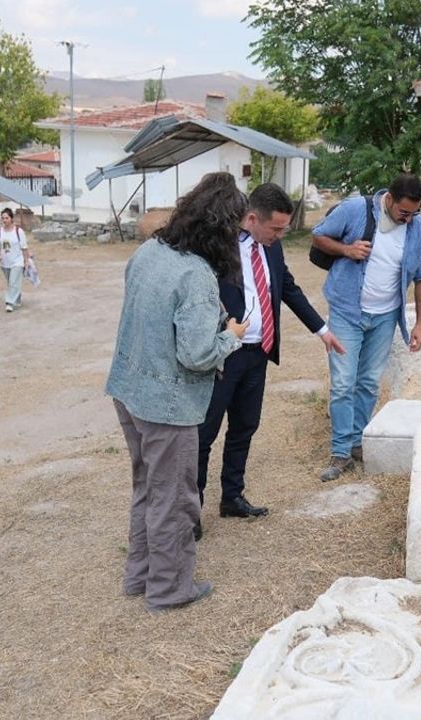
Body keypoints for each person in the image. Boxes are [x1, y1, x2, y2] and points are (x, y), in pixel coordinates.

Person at [104, 171, 250, 612]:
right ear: (223, 229)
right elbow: (197, 354)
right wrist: (232, 335)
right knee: (175, 500)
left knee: (147, 487)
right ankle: (169, 589)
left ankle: (140, 576)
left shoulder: (150, 251)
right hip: (168, 404)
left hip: (129, 390)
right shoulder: (197, 275)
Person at [197, 184, 346, 525]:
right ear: (252, 218)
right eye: (276, 228)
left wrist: (321, 330)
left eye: (284, 229)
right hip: (223, 354)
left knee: (244, 427)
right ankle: (191, 509)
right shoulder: (218, 247)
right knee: (204, 433)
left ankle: (232, 496)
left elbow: (288, 289)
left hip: (257, 353)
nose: (280, 235)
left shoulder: (272, 248)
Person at [310, 174, 421, 481]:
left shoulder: (419, 228)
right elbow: (318, 236)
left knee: (367, 382)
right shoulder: (356, 209)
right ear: (389, 199)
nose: (408, 218)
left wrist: (419, 322)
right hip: (347, 311)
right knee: (343, 382)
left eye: (414, 212)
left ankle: (356, 441)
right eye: (404, 212)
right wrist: (346, 250)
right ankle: (339, 452)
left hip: (385, 316)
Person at [0, 208, 32, 312]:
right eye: (3, 218)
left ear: (11, 218)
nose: (4, 220)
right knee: (11, 282)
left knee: (13, 281)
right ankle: (17, 299)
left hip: (17, 260)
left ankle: (9, 302)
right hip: (5, 261)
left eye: (6, 218)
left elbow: (24, 247)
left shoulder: (18, 231)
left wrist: (26, 260)